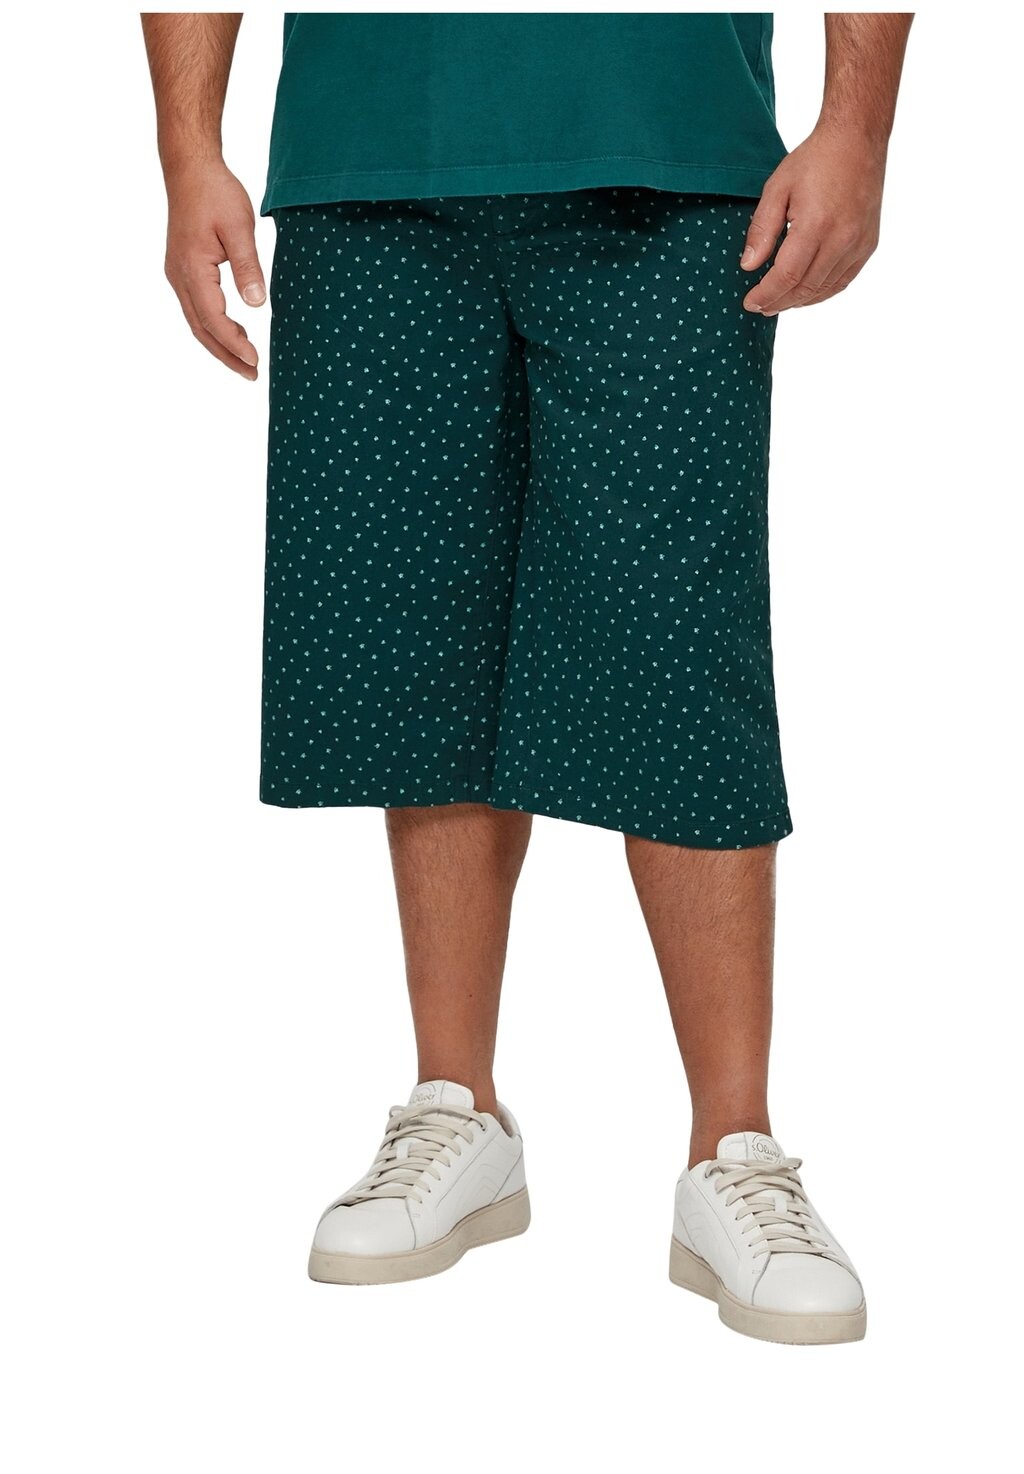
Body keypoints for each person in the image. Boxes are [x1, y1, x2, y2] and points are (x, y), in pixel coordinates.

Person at [142, 11, 912, 1344]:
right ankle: (457, 1108)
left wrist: (859, 124)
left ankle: (734, 1149)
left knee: (678, 646)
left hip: (666, 143)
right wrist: (185, 147)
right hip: (368, 149)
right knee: (414, 640)